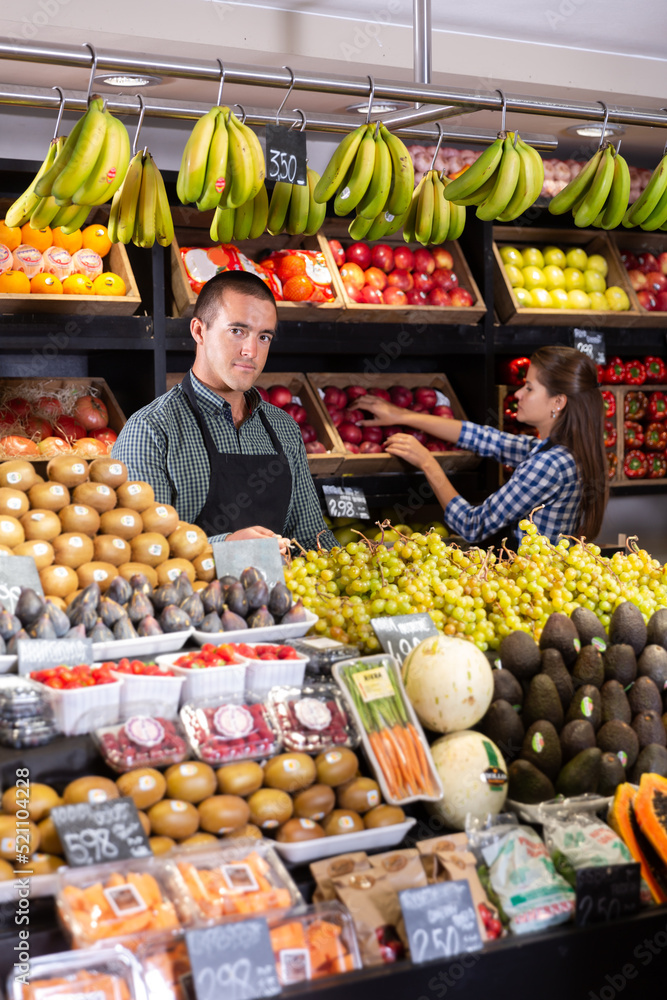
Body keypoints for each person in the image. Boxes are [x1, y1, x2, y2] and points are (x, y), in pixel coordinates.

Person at [112, 269, 336, 554]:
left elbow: (310, 535)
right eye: (237, 331)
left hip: (283, 596)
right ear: (198, 331)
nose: (251, 351)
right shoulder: (150, 429)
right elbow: (143, 549)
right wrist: (225, 547)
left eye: (264, 337)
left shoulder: (284, 428)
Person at [357, 346, 608, 545]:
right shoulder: (560, 452)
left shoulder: (549, 464)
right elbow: (486, 439)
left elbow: (471, 525)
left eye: (529, 388)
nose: (518, 394)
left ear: (558, 402)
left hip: (531, 586)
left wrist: (427, 463)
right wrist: (402, 415)